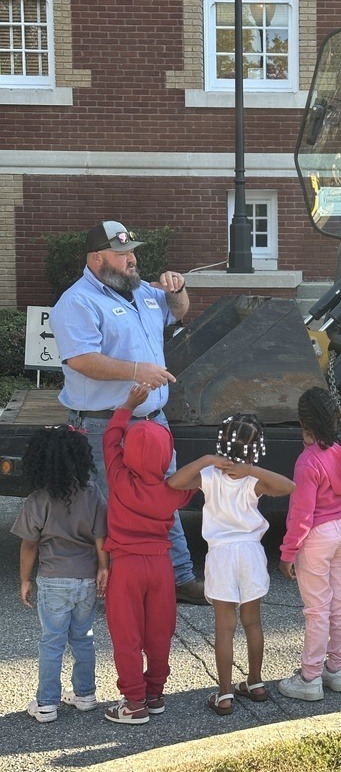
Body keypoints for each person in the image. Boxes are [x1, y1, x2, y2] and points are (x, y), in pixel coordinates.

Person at [49, 220, 205, 605]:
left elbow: (178, 312)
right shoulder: (77, 302)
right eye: (122, 254)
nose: (131, 259)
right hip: (103, 422)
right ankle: (117, 586)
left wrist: (178, 289)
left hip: (153, 421)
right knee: (109, 505)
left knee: (167, 496)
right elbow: (82, 360)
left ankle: (181, 577)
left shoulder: (144, 292)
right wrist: (137, 370)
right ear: (98, 257)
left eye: (132, 251)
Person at [169, 413, 295, 714]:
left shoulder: (210, 476)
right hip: (250, 553)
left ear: (221, 444)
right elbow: (289, 486)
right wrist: (251, 469)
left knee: (224, 628)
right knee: (253, 622)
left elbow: (175, 482)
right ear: (256, 449)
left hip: (222, 555)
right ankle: (255, 682)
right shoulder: (254, 480)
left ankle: (224, 694)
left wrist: (206, 460)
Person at [102, 382, 212, 724]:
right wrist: (206, 460)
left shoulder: (119, 479)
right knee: (159, 632)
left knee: (127, 636)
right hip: (161, 567)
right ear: (168, 454)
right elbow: (190, 481)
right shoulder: (172, 494)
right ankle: (155, 693)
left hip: (126, 566)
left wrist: (127, 407)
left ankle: (133, 702)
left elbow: (109, 440)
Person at [12, 425, 109, 723]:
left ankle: (46, 703)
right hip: (86, 579)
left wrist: (25, 580)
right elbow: (100, 538)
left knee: (52, 641)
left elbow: (29, 546)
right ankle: (85, 694)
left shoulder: (38, 499)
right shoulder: (92, 493)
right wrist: (104, 567)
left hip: (54, 580)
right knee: (83, 638)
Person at [278, 387, 341, 701]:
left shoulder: (307, 462)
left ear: (305, 424)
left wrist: (288, 552)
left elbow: (301, 513)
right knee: (339, 603)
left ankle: (309, 678)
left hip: (315, 537)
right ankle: (337, 670)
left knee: (317, 610)